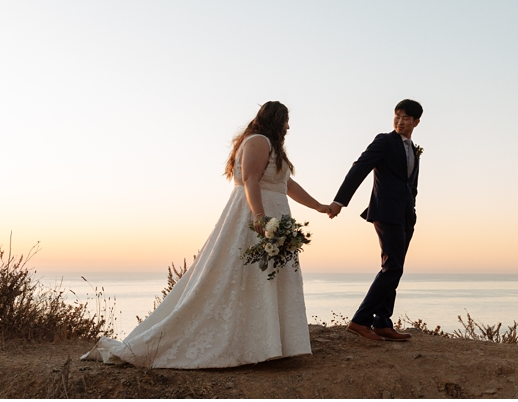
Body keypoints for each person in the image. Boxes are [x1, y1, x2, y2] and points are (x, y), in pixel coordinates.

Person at [82, 101, 332, 368]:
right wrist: (260, 216)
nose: (288, 126)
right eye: (285, 120)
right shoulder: (258, 141)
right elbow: (250, 179)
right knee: (245, 273)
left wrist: (319, 206)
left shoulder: (271, 146)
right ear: (275, 119)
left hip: (276, 214)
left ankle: (270, 343)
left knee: (266, 275)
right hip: (255, 216)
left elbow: (287, 184)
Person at [326, 99, 422, 342]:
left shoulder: (413, 150)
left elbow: (411, 185)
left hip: (405, 215)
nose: (400, 121)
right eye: (397, 116)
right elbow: (360, 168)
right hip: (385, 211)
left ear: (416, 122)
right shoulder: (384, 141)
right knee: (392, 266)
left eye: (406, 118)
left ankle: (382, 322)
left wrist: (412, 210)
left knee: (395, 267)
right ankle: (360, 320)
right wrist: (339, 201)